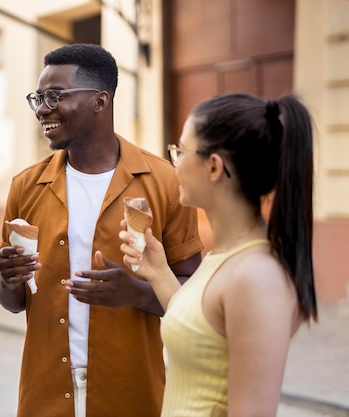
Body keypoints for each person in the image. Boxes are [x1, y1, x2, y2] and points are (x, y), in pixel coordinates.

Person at [0, 43, 203, 417]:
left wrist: (136, 292)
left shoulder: (164, 182)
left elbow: (192, 298)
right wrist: (7, 278)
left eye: (54, 96)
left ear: (100, 101)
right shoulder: (25, 187)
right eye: (38, 98)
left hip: (132, 392)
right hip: (45, 395)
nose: (42, 109)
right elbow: (12, 302)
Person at [120, 93, 318, 417]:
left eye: (180, 151)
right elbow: (201, 331)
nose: (174, 162)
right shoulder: (227, 255)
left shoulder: (257, 276)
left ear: (214, 166)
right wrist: (157, 272)